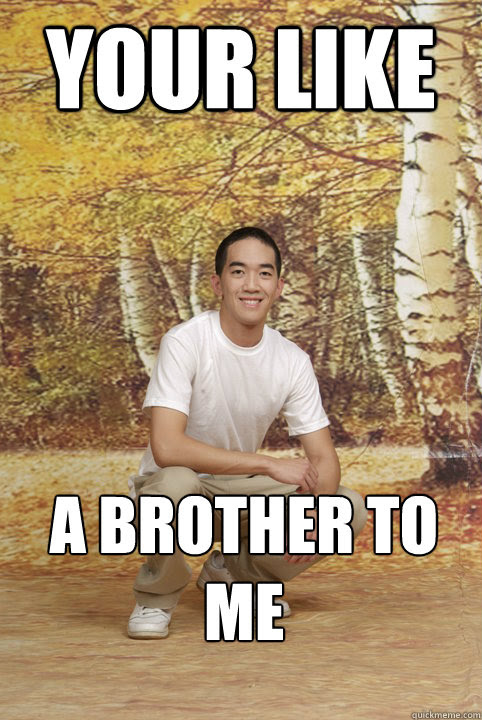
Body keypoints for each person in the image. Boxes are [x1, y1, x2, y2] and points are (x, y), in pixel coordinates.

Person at [127, 226, 367, 639]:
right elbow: (167, 447)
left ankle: (235, 574)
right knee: (175, 483)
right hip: (176, 489)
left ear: (278, 287)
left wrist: (316, 515)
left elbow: (323, 457)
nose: (252, 285)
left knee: (348, 508)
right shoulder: (185, 342)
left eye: (264, 273)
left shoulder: (291, 359)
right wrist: (268, 464)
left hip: (240, 492)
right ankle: (156, 597)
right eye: (238, 272)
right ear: (218, 284)